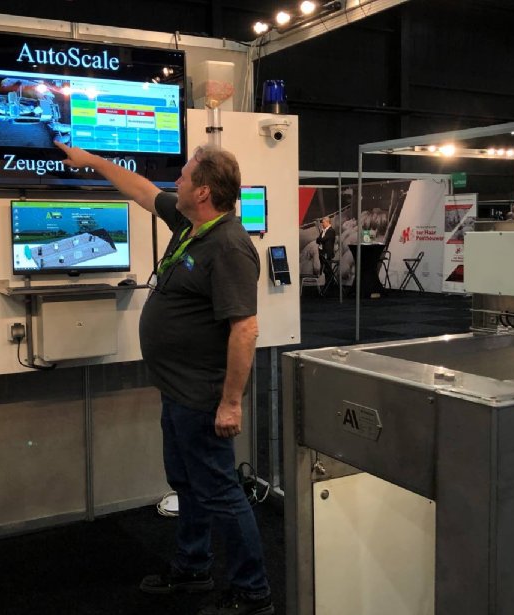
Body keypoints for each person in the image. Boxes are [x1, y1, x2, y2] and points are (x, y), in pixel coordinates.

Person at [54, 141, 274, 615]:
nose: (176, 181)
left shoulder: (229, 246)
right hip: (177, 390)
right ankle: (194, 568)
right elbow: (140, 190)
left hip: (204, 394)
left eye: (184, 176)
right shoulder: (190, 224)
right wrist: (91, 161)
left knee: (220, 491)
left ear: (204, 191)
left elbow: (245, 329)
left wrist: (231, 403)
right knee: (187, 483)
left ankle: (252, 592)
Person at [315, 216, 337, 289]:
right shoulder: (323, 231)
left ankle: (331, 284)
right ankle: (328, 283)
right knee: (324, 269)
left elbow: (323, 239)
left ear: (327, 222)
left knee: (328, 269)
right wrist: (320, 239)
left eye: (323, 222)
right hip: (322, 252)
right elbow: (317, 240)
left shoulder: (331, 231)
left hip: (327, 253)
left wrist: (320, 239)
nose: (322, 224)